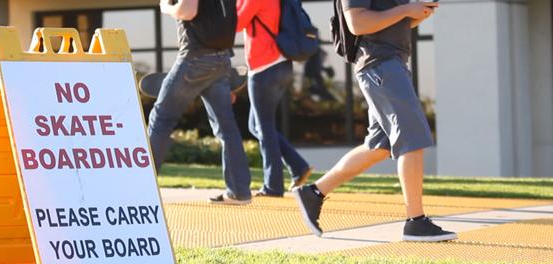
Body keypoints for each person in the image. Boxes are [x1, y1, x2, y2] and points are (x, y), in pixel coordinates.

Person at [293, 0, 458, 242]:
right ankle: (416, 222)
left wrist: (417, 14)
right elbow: (357, 23)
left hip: (391, 64)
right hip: (380, 65)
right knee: (412, 138)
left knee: (378, 147)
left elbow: (390, 21)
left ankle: (314, 193)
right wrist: (404, 10)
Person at [149, 0, 252, 205]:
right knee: (226, 127)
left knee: (160, 119)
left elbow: (187, 11)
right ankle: (239, 192)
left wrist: (166, 8)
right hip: (221, 60)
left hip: (195, 59)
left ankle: (141, 190)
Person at [236, 0, 313, 197]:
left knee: (264, 128)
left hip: (265, 67)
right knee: (257, 126)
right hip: (282, 65)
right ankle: (298, 167)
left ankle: (273, 186)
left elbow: (236, 23)